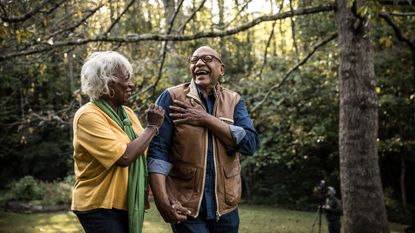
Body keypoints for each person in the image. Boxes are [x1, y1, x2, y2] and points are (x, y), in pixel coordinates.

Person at [147, 45, 260, 233]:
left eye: (207, 58)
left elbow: (250, 143)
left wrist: (205, 119)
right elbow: (157, 152)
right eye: (194, 60)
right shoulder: (172, 97)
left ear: (221, 69)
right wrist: (162, 200)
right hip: (186, 207)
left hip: (226, 209)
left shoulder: (234, 101)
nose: (199, 63)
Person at [71, 51, 165, 233]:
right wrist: (152, 127)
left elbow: (144, 150)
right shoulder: (88, 115)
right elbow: (124, 156)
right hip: (98, 205)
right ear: (107, 83)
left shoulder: (127, 115)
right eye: (126, 79)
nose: (131, 85)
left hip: (126, 202)